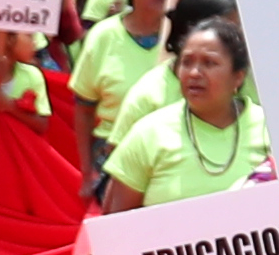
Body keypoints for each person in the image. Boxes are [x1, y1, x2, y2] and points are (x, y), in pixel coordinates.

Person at [98, 16, 266, 210]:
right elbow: (115, 224)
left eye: (209, 63)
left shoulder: (272, 131)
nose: (194, 73)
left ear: (238, 77)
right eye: (186, 62)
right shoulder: (148, 133)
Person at [71, 0, 175, 148]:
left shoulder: (187, 39)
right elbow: (84, 109)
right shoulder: (104, 35)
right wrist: (86, 174)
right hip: (112, 156)